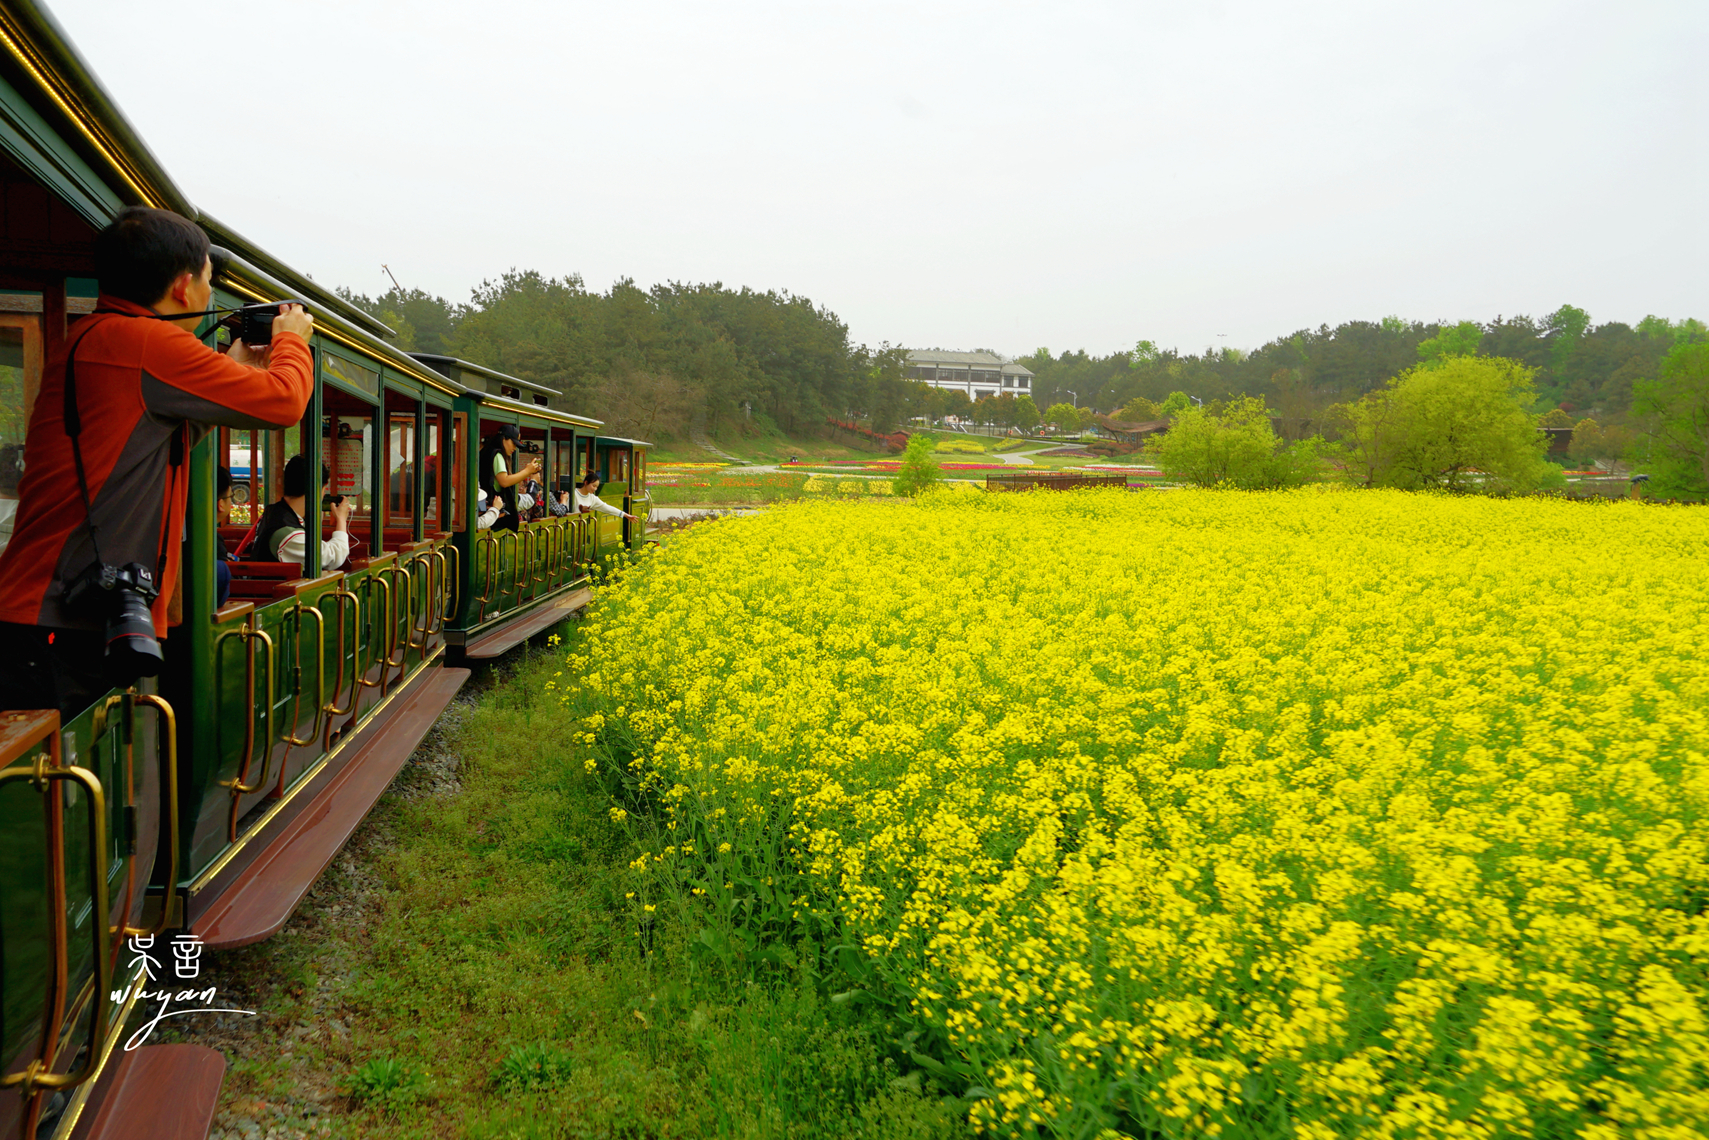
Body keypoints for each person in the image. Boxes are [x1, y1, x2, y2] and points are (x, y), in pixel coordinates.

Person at [0, 207, 314, 714]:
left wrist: (225, 376)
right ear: (183, 286)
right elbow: (284, 403)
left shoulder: (95, 335)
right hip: (61, 617)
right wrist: (292, 344)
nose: (210, 296)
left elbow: (147, 442)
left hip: (48, 610)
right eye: (210, 282)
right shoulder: (150, 342)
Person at [252, 456, 351, 571]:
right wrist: (341, 520)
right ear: (315, 490)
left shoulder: (274, 511)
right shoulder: (288, 535)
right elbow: (332, 558)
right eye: (324, 490)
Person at [477, 424, 539, 531]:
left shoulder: (486, 451)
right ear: (504, 438)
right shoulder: (497, 454)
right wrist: (527, 471)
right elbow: (504, 481)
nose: (514, 448)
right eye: (513, 443)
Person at [572, 473, 636, 521]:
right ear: (586, 483)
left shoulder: (592, 498)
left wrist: (625, 515)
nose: (595, 489)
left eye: (597, 487)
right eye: (593, 486)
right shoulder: (573, 494)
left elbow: (607, 508)